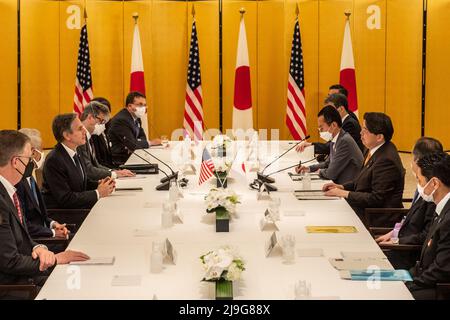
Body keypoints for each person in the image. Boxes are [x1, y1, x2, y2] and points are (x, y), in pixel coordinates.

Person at [0, 130, 88, 299]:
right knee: (73, 288)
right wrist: (54, 259)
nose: (32, 163)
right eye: (28, 158)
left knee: (78, 279)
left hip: (24, 275)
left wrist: (38, 247)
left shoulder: (9, 189)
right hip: (11, 285)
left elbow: (21, 236)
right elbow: (9, 261)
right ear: (16, 162)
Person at [375, 137, 443, 269]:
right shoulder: (423, 185)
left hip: (408, 253)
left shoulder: (433, 194)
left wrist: (397, 241)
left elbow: (426, 235)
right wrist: (393, 233)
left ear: (418, 160)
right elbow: (410, 218)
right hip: (401, 241)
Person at [322, 112, 405, 219]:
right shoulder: (373, 148)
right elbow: (360, 180)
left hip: (376, 216)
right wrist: (341, 187)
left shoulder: (386, 160)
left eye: (365, 130)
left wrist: (344, 193)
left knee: (329, 215)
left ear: (379, 137)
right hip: (363, 207)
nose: (361, 133)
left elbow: (376, 199)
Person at [42, 114, 115, 209]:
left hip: (78, 207)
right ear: (67, 135)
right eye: (80, 129)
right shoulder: (54, 160)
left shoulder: (76, 151)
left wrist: (100, 184)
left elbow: (81, 184)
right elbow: (66, 199)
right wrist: (98, 193)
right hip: (64, 215)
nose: (85, 131)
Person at [406, 152, 450, 300]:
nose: (419, 186)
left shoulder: (448, 217)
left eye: (420, 180)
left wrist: (409, 284)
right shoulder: (441, 207)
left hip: (440, 289)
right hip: (428, 278)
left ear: (435, 183)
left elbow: (442, 269)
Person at [15, 128, 69, 239]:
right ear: (33, 152)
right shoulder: (17, 181)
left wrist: (53, 224)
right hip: (35, 241)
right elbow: (22, 223)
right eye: (42, 149)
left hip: (44, 232)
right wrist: (52, 233)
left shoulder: (30, 175)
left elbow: (40, 214)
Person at [296, 106, 363, 185]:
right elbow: (327, 163)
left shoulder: (344, 141)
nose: (320, 132)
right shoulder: (335, 138)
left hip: (348, 189)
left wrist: (319, 172)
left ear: (334, 125)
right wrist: (309, 168)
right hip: (338, 184)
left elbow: (331, 173)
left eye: (321, 128)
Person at [78, 101, 134, 181]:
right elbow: (88, 170)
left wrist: (115, 172)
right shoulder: (79, 138)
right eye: (101, 121)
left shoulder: (89, 137)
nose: (102, 125)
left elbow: (96, 164)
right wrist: (114, 174)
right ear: (90, 117)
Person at [296, 93, 364, 155]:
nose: (327, 114)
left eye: (331, 110)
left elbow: (333, 146)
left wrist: (311, 145)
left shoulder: (350, 124)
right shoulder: (341, 122)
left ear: (341, 109)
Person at [108, 91, 161, 165]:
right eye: (140, 105)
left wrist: (136, 143)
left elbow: (142, 137)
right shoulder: (122, 120)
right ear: (130, 106)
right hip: (121, 160)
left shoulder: (136, 117)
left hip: (132, 155)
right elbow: (132, 144)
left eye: (144, 105)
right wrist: (151, 143)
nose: (143, 108)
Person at [90, 97, 115, 169]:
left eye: (107, 113)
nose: (105, 116)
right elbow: (97, 163)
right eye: (103, 113)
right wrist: (114, 172)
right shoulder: (93, 133)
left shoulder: (106, 129)